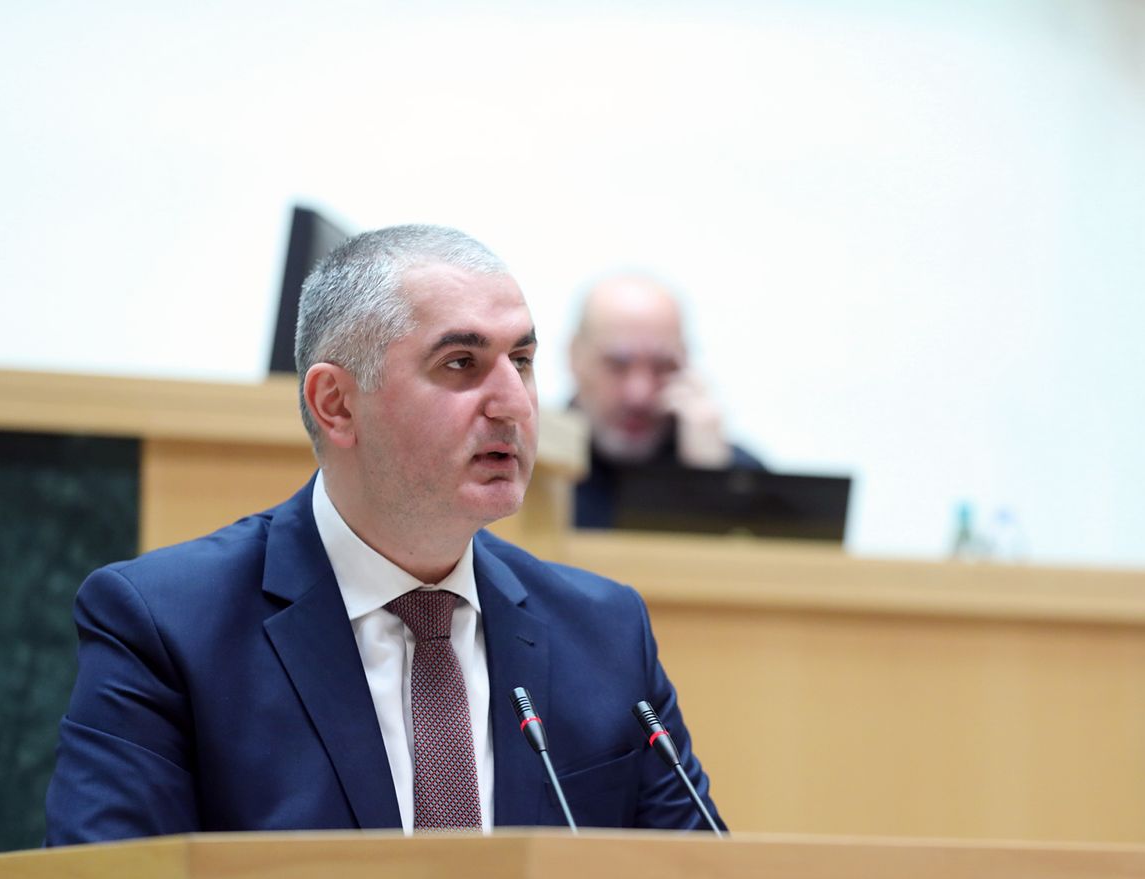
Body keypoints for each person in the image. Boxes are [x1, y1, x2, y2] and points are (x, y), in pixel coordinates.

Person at [44, 226, 722, 843]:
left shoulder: (604, 634)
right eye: (460, 363)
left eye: (521, 360)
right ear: (336, 404)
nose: (514, 404)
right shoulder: (169, 629)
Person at [566, 274, 763, 528]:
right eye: (617, 365)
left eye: (662, 366)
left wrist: (713, 480)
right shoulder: (529, 465)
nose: (639, 395)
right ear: (574, 357)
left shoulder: (741, 475)